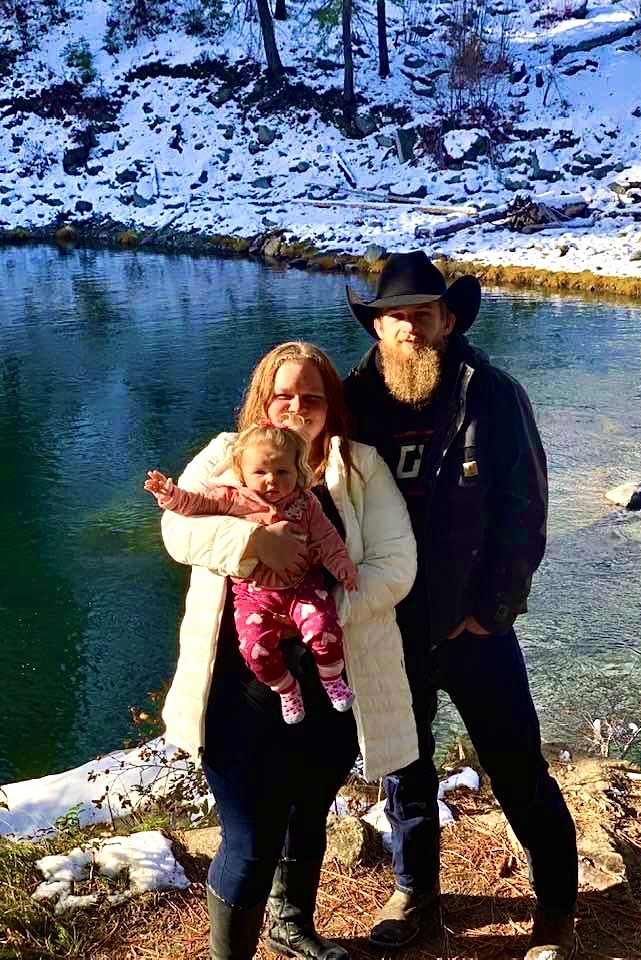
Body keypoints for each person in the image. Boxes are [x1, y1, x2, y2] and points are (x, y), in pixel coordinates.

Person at [344, 252, 578, 960]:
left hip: (476, 630)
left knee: (517, 769)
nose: (410, 329)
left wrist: (493, 610)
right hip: (391, 631)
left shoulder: (493, 395)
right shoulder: (352, 402)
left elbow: (525, 511)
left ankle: (556, 911)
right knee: (404, 771)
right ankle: (415, 893)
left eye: (423, 314)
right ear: (377, 328)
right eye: (396, 318)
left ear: (448, 321)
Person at [158, 341, 419, 960]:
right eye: (283, 396)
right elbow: (177, 529)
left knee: (307, 815)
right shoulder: (227, 454)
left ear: (331, 405)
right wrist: (253, 546)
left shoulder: (359, 467)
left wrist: (323, 616)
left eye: (312, 397)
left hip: (331, 677)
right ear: (263, 400)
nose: (297, 407)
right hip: (238, 687)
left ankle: (292, 925)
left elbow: (396, 564)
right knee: (250, 838)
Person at [144, 417, 358, 724]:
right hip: (254, 595)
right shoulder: (232, 497)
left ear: (297, 470)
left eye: (282, 471)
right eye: (260, 472)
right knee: (255, 648)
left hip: (303, 585)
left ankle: (332, 678)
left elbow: (327, 538)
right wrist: (170, 495)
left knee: (324, 628)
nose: (272, 481)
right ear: (241, 472)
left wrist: (342, 566)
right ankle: (286, 688)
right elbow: (195, 505)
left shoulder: (305, 502)